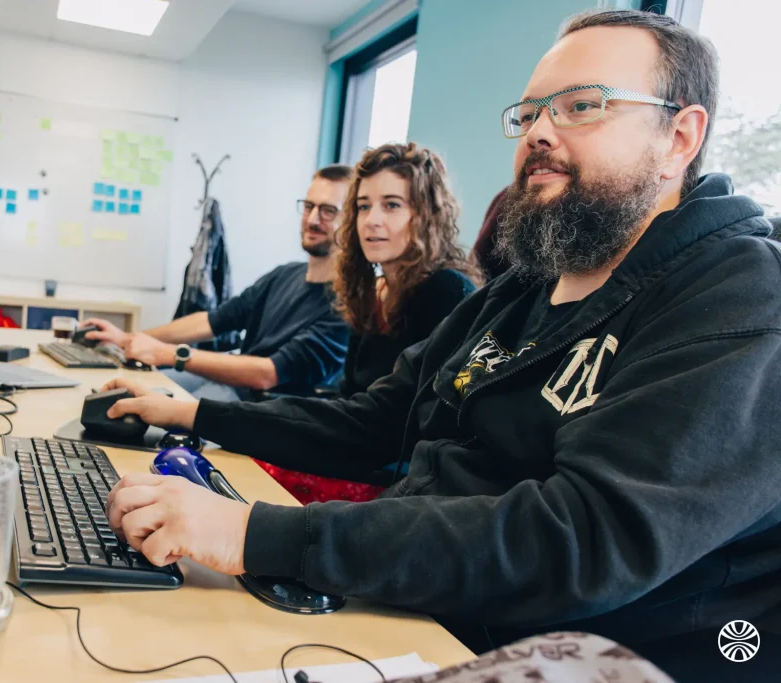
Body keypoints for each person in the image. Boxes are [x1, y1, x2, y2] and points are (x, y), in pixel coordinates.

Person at [97, 10, 781, 680]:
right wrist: (188, 413)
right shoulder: (529, 283)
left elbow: (584, 539)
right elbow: (377, 419)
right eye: (531, 112)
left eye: (580, 105)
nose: (539, 131)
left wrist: (256, 536)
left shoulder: (741, 294)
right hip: (429, 609)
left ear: (679, 137)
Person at [254, 142, 481, 504]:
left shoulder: (448, 290)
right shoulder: (372, 290)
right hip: (358, 454)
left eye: (392, 205)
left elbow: (404, 429)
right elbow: (349, 398)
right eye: (363, 206)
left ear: (425, 214)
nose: (372, 220)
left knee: (254, 471)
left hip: (400, 483)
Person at [82, 165, 353, 401]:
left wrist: (170, 354)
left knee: (147, 414)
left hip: (260, 408)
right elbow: (211, 322)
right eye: (308, 207)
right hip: (226, 386)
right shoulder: (284, 275)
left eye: (328, 211)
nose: (313, 218)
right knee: (116, 391)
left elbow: (267, 374)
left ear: (351, 221)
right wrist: (128, 338)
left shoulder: (345, 307)